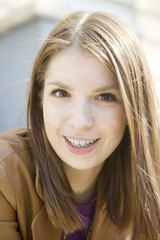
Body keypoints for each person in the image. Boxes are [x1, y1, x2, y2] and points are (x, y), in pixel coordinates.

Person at [0, 11, 160, 240]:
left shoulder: (145, 185)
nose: (80, 121)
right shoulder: (4, 173)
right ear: (40, 98)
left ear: (131, 109)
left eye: (105, 97)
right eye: (61, 93)